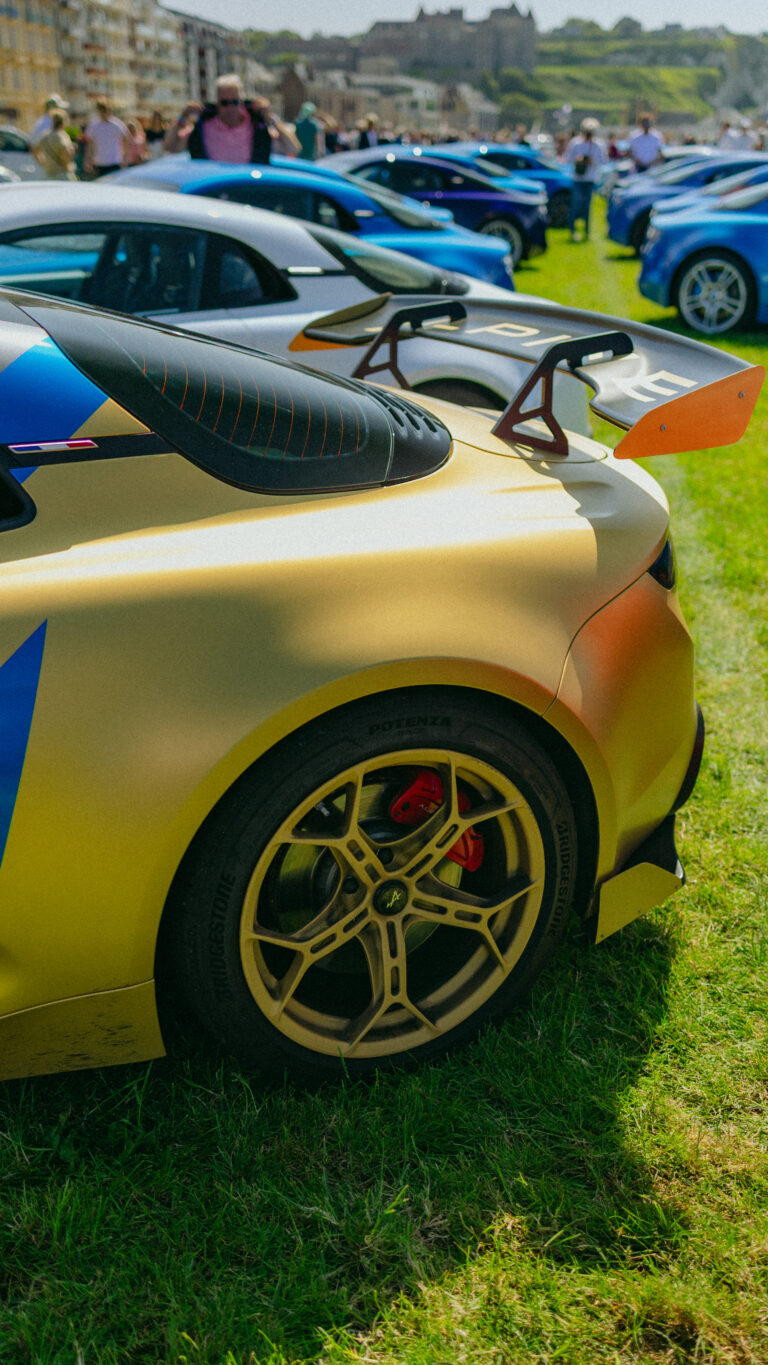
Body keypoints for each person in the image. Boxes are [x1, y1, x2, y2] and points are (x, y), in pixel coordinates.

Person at [188, 75, 298, 163]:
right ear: (217, 103)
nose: (230, 108)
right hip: (212, 183)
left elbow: (293, 148)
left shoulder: (257, 126)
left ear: (242, 102)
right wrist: (183, 117)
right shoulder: (203, 125)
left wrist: (269, 116)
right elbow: (176, 148)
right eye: (224, 103)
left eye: (235, 102)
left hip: (248, 183)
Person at [565, 117, 605, 241]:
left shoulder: (598, 145)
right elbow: (568, 158)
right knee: (575, 205)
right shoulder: (575, 143)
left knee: (587, 206)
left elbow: (602, 160)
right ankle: (572, 230)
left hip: (590, 178)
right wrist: (578, 159)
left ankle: (587, 231)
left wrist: (591, 161)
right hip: (578, 178)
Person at [83, 99, 128, 177]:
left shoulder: (117, 125)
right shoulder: (94, 126)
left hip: (114, 161)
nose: (103, 113)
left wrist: (124, 157)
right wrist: (87, 160)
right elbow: (90, 144)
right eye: (101, 110)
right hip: (99, 162)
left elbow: (126, 139)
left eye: (105, 110)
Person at [33, 112, 76, 180]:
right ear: (63, 122)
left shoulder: (45, 135)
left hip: (49, 174)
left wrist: (42, 162)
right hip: (62, 173)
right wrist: (66, 165)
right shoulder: (61, 135)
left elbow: (35, 149)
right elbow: (66, 151)